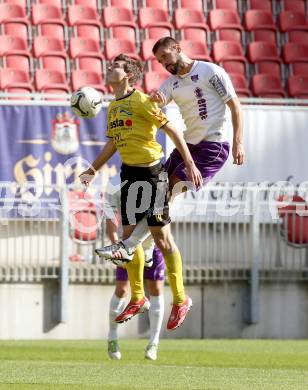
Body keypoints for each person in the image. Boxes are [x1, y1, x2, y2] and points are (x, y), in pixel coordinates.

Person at [80, 54, 203, 331]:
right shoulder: (112, 108)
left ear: (128, 75)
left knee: (162, 239)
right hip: (130, 175)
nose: (109, 68)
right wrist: (92, 170)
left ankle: (181, 298)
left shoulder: (142, 101)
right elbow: (112, 144)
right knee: (127, 239)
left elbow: (173, 131)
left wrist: (190, 163)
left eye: (116, 66)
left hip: (152, 175)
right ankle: (137, 297)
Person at [99, 36, 245, 262]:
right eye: (160, 61)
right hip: (187, 145)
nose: (164, 63)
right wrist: (154, 99)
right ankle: (144, 247)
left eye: (165, 56)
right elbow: (151, 104)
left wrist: (238, 142)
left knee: (167, 193)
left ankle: (130, 245)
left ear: (177, 48)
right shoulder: (172, 83)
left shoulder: (210, 71)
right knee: (159, 195)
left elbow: (235, 106)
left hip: (213, 146)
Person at [104, 174, 165, 361]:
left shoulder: (157, 177)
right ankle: (112, 336)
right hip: (128, 244)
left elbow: (163, 215)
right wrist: (116, 244)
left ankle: (153, 342)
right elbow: (109, 220)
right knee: (122, 290)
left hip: (153, 244)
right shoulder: (114, 183)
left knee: (155, 289)